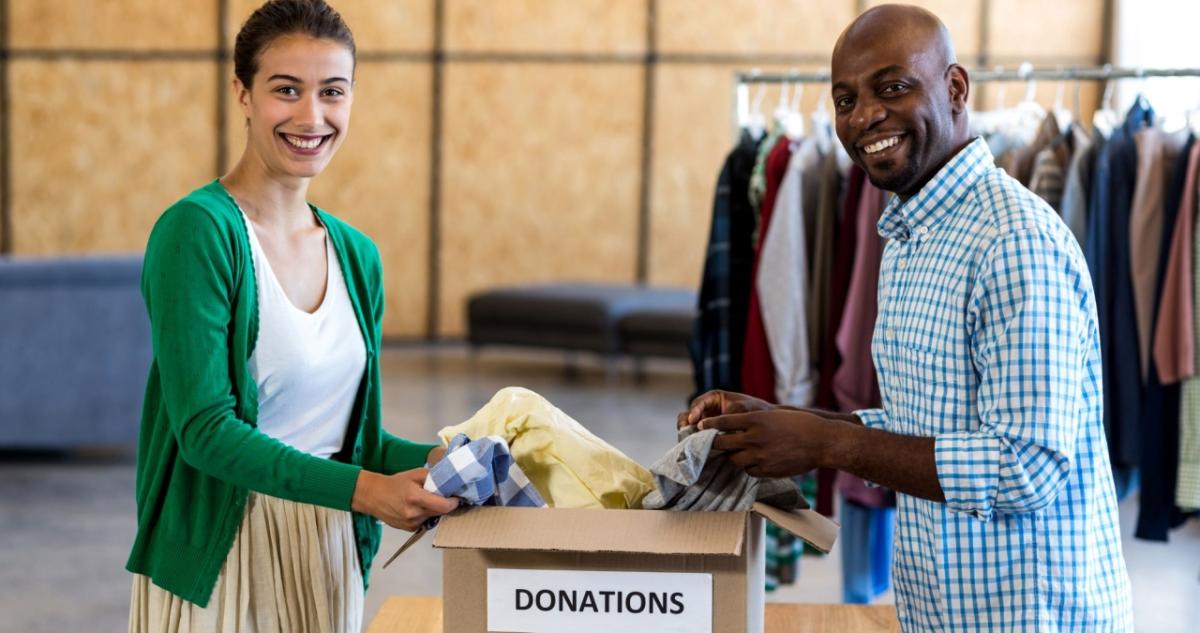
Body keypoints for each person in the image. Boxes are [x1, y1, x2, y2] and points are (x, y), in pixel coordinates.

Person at [680, 5, 1133, 631]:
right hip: (941, 612)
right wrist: (785, 423)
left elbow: (1026, 467)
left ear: (954, 90)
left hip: (1032, 617)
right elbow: (928, 423)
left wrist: (827, 442)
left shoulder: (1014, 242)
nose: (864, 116)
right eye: (845, 100)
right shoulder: (909, 235)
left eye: (892, 87)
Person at [125, 1, 457, 630]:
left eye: (332, 92)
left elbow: (348, 439)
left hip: (328, 555)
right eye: (286, 90)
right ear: (242, 93)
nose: (312, 116)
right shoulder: (197, 233)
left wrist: (443, 461)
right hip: (224, 559)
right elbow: (205, 432)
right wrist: (367, 490)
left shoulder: (358, 256)